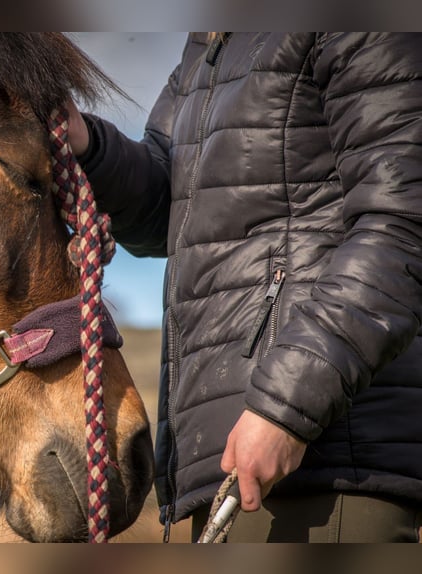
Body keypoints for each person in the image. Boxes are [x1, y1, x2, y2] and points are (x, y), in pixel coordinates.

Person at [67, 32, 422, 542]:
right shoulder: (211, 43)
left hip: (324, 461)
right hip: (233, 462)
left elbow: (402, 228)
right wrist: (88, 144)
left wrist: (286, 410)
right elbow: (173, 208)